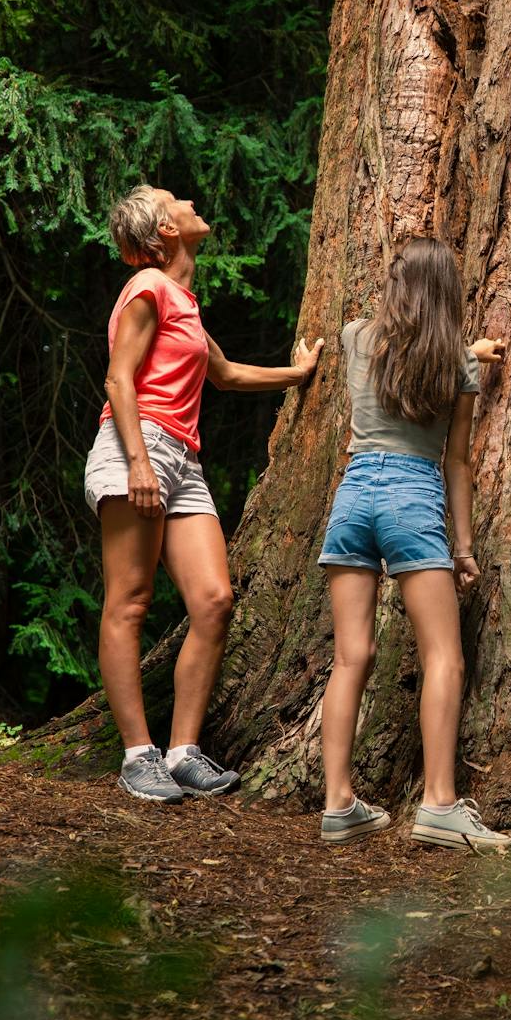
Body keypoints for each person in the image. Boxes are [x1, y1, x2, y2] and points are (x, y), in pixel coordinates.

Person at [87, 184, 322, 803]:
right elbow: (118, 378)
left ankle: (183, 752)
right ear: (164, 231)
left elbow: (224, 373)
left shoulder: (182, 301)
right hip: (137, 450)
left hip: (182, 461)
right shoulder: (146, 290)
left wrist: (298, 375)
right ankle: (139, 756)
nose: (192, 202)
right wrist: (138, 464)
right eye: (177, 201)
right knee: (130, 603)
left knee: (214, 600)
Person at [315, 237, 511, 854]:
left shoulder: (353, 337)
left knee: (352, 657)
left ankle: (337, 802)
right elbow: (456, 462)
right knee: (445, 659)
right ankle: (439, 804)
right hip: (412, 498)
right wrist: (463, 546)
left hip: (353, 495)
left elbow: (395, 346)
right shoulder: (457, 364)